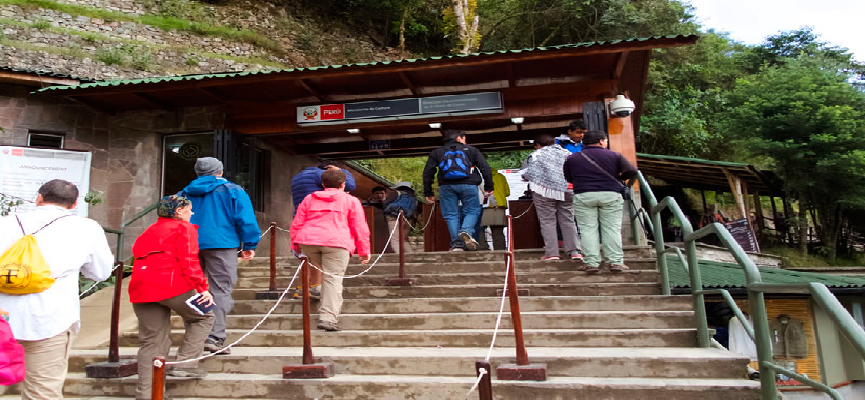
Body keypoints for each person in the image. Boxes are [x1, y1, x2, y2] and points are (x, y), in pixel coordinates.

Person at [0, 179, 113, 400]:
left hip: (3, 316)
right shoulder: (86, 228)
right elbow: (101, 272)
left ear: (38, 198)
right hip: (51, 319)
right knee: (42, 390)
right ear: (74, 205)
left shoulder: (6, 222)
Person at [129, 195, 214, 400]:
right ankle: (186, 364)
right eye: (189, 209)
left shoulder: (148, 231)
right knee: (203, 317)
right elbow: (189, 259)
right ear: (178, 211)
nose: (191, 213)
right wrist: (202, 287)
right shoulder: (184, 228)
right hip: (172, 284)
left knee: (152, 342)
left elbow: (136, 254)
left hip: (141, 288)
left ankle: (148, 395)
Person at [178, 157, 259, 355]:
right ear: (220, 171)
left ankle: (194, 337)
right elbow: (245, 219)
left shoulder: (183, 193)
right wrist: (249, 244)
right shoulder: (233, 190)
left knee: (193, 290)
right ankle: (214, 337)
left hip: (188, 245)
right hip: (222, 244)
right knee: (220, 290)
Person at [290, 170, 371, 332]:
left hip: (309, 241)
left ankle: (317, 291)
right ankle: (327, 318)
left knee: (321, 271)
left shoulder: (309, 198)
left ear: (323, 184)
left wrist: (295, 245)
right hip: (336, 242)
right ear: (343, 184)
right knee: (333, 279)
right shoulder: (351, 200)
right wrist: (364, 250)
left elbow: (297, 223)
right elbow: (360, 227)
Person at [563, 130, 637, 274]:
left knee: (587, 230)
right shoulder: (614, 155)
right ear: (601, 141)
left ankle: (591, 263)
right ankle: (615, 262)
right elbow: (631, 171)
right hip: (610, 194)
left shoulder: (573, 158)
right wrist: (621, 178)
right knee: (611, 229)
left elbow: (569, 178)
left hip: (584, 195)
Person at [290, 160, 357, 298]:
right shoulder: (319, 175)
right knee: (319, 254)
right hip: (320, 217)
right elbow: (350, 184)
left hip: (301, 218)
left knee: (305, 256)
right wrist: (340, 171)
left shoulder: (296, 178)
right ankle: (315, 286)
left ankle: (302, 287)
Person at [422, 130, 494, 251]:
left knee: (451, 215)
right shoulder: (471, 150)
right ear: (460, 138)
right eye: (464, 138)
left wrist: (428, 192)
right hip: (469, 185)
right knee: (472, 210)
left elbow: (428, 172)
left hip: (446, 186)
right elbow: (485, 168)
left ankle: (457, 244)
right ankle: (466, 230)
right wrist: (489, 186)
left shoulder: (437, 152)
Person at [524, 134, 583, 261]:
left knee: (547, 221)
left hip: (543, 191)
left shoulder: (536, 155)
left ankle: (552, 253)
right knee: (568, 219)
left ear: (537, 145)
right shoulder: (567, 153)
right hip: (567, 189)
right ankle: (575, 251)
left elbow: (528, 173)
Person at [383, 182, 418, 254]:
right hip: (408, 220)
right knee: (403, 239)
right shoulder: (413, 197)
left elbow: (386, 205)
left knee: (395, 241)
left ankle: (400, 258)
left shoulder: (396, 194)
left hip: (394, 219)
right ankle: (412, 255)